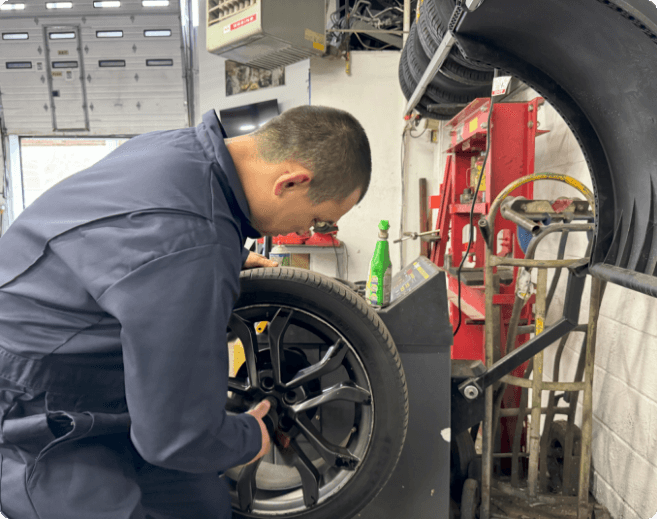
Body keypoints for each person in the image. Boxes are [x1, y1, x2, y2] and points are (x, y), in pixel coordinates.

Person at [0, 105, 371, 518]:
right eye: (317, 219)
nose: (303, 232)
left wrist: (224, 256)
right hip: (34, 403)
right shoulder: (192, 249)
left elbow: (140, 240)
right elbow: (174, 438)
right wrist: (252, 435)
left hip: (99, 370)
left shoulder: (182, 149)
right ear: (291, 182)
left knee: (203, 507)